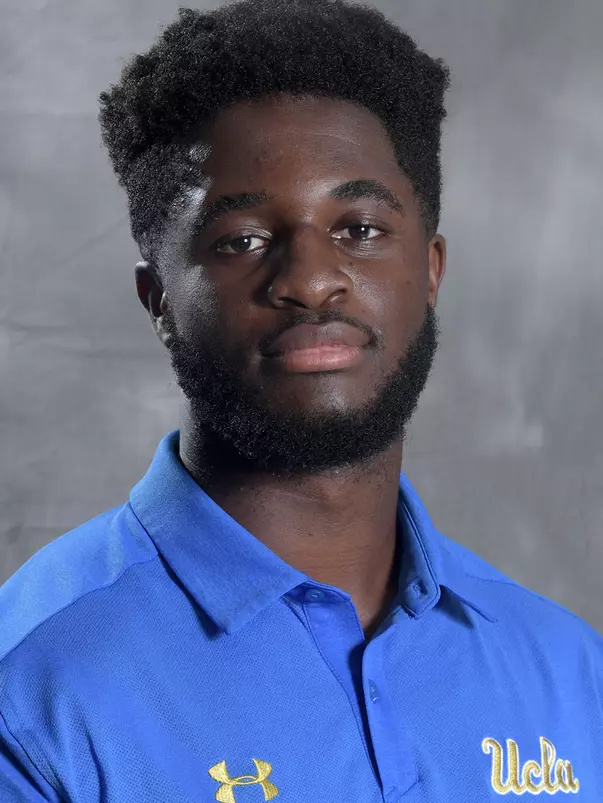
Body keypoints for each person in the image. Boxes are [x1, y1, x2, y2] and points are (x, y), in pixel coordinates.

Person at [1, 0, 602, 800]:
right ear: (159, 299)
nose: (312, 280)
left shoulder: (570, 673)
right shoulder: (32, 693)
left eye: (359, 229)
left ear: (429, 271)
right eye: (242, 239)